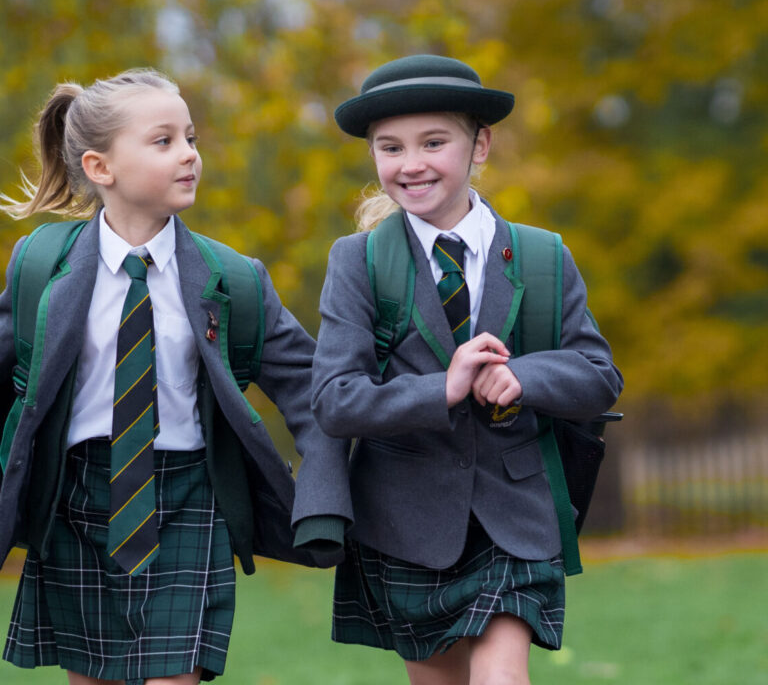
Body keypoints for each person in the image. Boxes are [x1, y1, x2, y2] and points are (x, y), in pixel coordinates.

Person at [0, 68, 351, 685]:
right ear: (100, 167)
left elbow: (313, 391)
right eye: (163, 141)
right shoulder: (39, 265)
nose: (190, 154)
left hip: (190, 498)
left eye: (190, 137)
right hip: (75, 501)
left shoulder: (234, 277)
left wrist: (323, 501)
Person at [311, 54, 623, 685]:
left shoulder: (542, 255)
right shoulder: (357, 262)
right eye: (390, 147)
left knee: (502, 676)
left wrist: (526, 378)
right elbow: (335, 400)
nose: (411, 163)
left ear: (480, 144)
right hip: (405, 520)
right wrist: (442, 388)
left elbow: (599, 376)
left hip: (518, 515)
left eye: (434, 142)